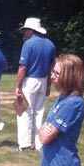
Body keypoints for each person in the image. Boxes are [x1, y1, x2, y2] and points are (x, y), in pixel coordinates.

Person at [15, 17, 56, 151]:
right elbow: (51, 68)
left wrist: (18, 86)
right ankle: (40, 144)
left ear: (30, 31)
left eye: (25, 30)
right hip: (43, 80)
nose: (25, 33)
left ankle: (25, 144)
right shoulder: (50, 44)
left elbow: (23, 67)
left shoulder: (28, 44)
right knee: (39, 113)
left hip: (30, 80)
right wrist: (49, 85)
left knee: (24, 112)